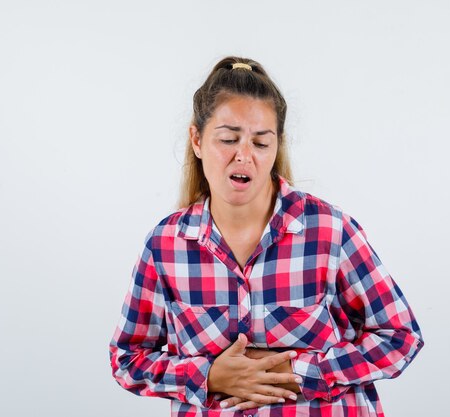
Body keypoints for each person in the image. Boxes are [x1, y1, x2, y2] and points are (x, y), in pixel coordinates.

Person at [108, 56, 424, 417]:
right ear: (196, 140)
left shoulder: (330, 232)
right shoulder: (165, 246)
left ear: (277, 146)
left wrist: (297, 373)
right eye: (228, 139)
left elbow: (401, 337)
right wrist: (208, 376)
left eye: (260, 143)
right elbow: (126, 359)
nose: (243, 156)